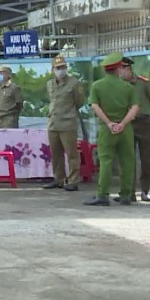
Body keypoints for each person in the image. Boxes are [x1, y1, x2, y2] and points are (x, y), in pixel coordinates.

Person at [84, 52, 141, 206]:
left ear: (105, 69)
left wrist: (109, 123)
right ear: (118, 69)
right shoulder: (128, 87)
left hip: (106, 129)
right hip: (125, 129)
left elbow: (95, 106)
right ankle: (126, 195)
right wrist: (122, 123)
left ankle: (103, 195)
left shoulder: (97, 86)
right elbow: (135, 107)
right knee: (127, 161)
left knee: (105, 161)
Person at [43, 56, 86, 191]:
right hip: (53, 123)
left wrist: (69, 112)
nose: (60, 70)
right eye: (58, 68)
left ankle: (73, 180)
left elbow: (79, 101)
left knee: (72, 154)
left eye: (63, 67)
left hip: (68, 123)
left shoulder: (74, 83)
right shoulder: (50, 84)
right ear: (53, 69)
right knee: (56, 154)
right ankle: (59, 179)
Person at [124, 57, 150, 201]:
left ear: (129, 69)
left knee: (145, 159)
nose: (122, 72)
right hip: (127, 123)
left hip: (144, 123)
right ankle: (129, 192)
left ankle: (145, 191)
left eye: (124, 68)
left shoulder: (143, 83)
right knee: (128, 159)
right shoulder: (120, 85)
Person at [0, 65, 24, 129]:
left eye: (1, 73)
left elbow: (19, 104)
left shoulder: (14, 88)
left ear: (8, 75)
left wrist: (13, 114)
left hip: (8, 120)